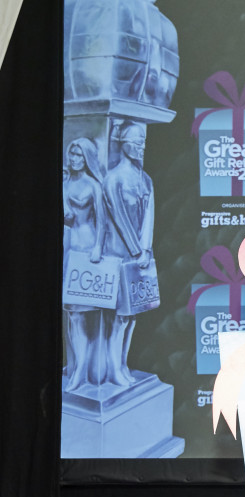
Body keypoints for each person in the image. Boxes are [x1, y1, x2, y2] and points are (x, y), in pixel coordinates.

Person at [101, 122, 156, 387]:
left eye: (143, 142)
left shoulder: (145, 179)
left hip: (139, 257)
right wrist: (136, 250)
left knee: (132, 314)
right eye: (136, 142)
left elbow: (148, 218)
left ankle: (122, 364)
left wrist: (145, 249)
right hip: (119, 255)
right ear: (123, 142)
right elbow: (119, 217)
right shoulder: (114, 179)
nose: (141, 147)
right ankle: (113, 368)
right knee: (117, 316)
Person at [62, 137, 106, 392]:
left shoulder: (93, 186)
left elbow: (102, 221)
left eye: (79, 155)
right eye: (71, 154)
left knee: (80, 314)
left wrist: (98, 247)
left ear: (86, 158)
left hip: (86, 248)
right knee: (70, 314)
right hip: (66, 248)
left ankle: (81, 370)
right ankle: (74, 364)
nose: (74, 158)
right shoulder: (65, 182)